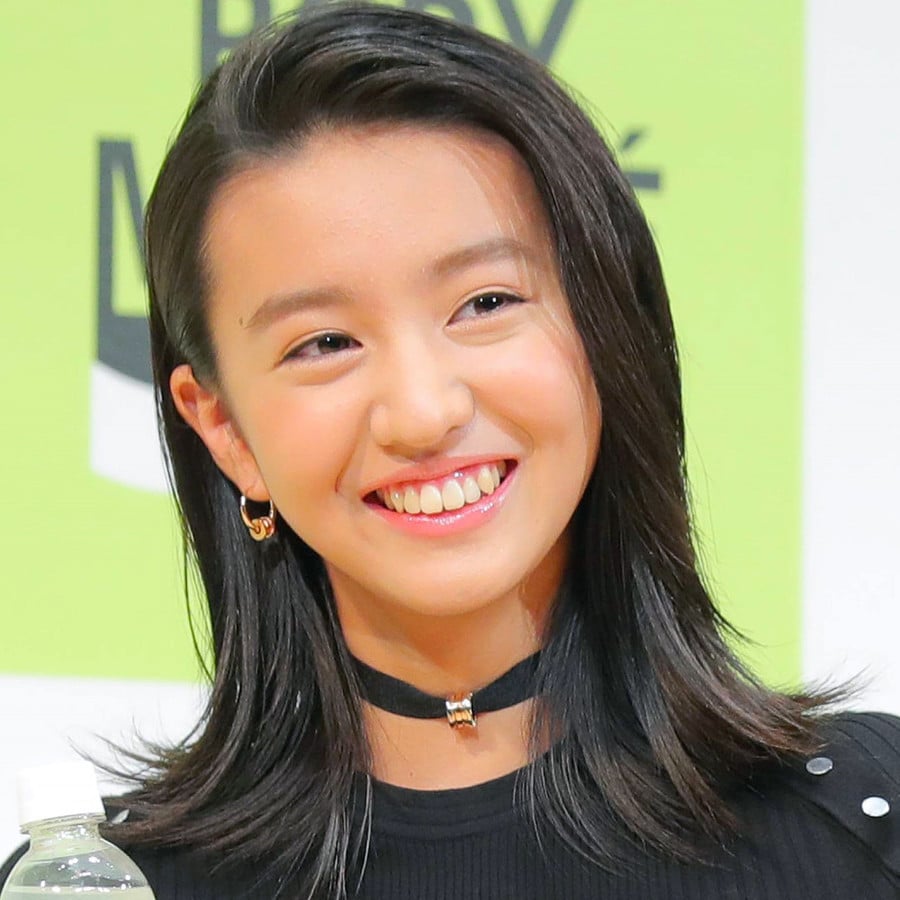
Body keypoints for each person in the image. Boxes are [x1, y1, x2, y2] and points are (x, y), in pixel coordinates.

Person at [4, 3, 900, 898]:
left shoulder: (863, 824)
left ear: (604, 322)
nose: (424, 412)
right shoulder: (101, 887)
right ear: (225, 430)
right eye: (324, 343)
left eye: (485, 303)